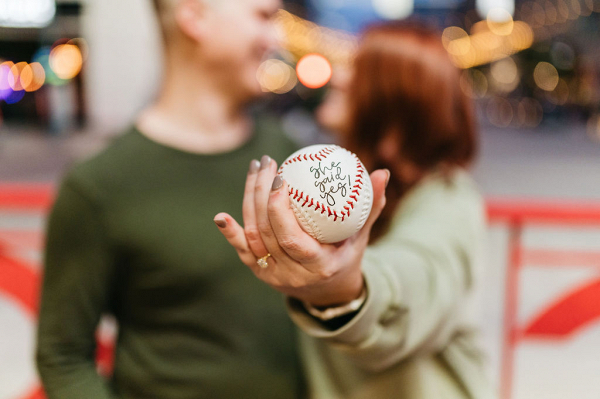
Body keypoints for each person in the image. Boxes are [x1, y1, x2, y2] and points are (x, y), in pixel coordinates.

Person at [36, 0, 314, 398]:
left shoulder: (286, 153)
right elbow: (62, 355)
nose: (277, 38)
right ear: (194, 17)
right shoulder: (99, 186)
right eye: (263, 16)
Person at [215, 23, 496, 399]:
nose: (342, 76)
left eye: (361, 69)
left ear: (398, 103)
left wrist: (345, 289)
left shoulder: (449, 201)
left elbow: (417, 274)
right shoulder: (350, 192)